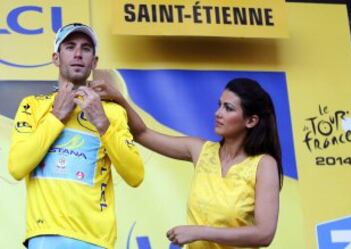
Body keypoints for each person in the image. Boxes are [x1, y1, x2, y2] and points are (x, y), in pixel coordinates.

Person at [90, 75, 283, 249]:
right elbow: (142, 133)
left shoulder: (264, 164)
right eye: (219, 105)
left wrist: (198, 232)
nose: (218, 113)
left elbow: (264, 234)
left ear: (251, 121)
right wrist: (120, 99)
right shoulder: (201, 150)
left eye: (228, 108)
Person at [8, 23, 144, 249]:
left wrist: (102, 124)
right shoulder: (33, 106)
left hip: (96, 240)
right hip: (46, 235)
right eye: (70, 47)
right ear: (56, 58)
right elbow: (17, 167)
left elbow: (135, 175)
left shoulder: (111, 112)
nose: (78, 54)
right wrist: (56, 117)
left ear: (95, 62)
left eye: (86, 48)